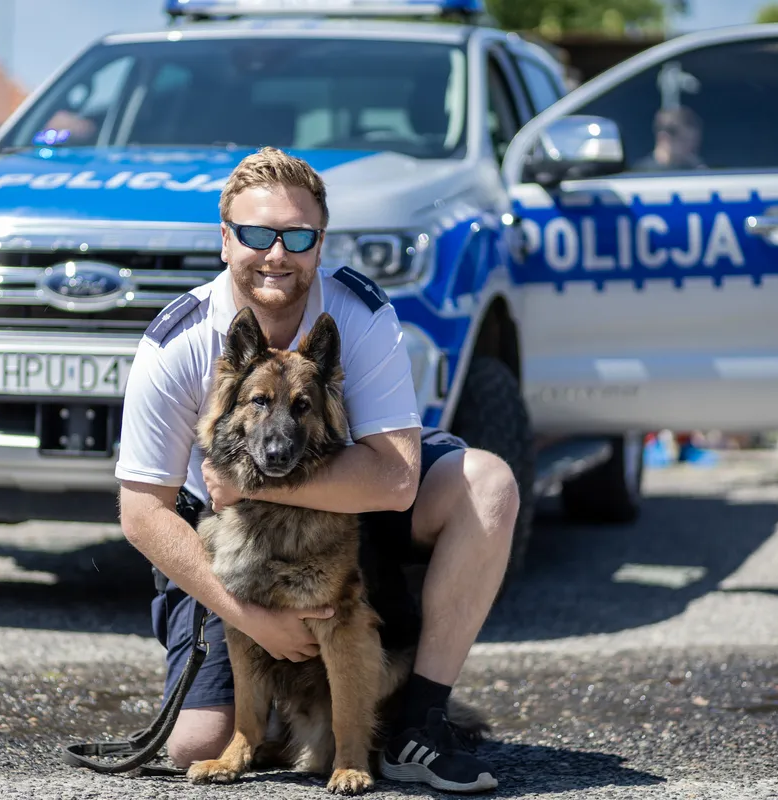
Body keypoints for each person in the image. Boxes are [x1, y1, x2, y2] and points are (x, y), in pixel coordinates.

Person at [115, 146, 519, 793]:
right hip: (227, 535)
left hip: (354, 494)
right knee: (197, 744)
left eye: (297, 236)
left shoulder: (357, 314)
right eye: (256, 234)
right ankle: (298, 717)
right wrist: (246, 618)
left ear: (320, 242)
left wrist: (252, 478)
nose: (277, 253)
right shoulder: (179, 341)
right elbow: (141, 512)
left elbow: (394, 479)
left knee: (488, 482)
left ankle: (419, 719)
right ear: (225, 240)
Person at [631, 105, 706, 171]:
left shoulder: (694, 169)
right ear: (664, 138)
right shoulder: (640, 174)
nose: (691, 148)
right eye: (685, 141)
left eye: (694, 142)